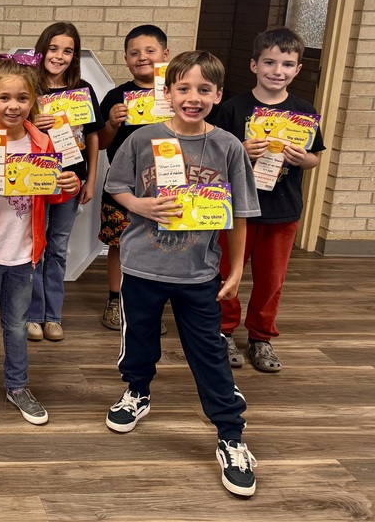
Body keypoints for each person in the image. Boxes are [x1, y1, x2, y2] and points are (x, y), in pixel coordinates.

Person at [102, 50, 262, 498]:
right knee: (139, 339)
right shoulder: (142, 139)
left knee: (209, 351)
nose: (193, 98)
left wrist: (234, 272)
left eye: (204, 90)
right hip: (141, 266)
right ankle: (138, 392)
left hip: (199, 272)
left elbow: (241, 216)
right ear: (167, 92)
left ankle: (230, 433)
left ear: (217, 94)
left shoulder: (229, 146)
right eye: (184, 89)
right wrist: (141, 205)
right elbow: (116, 185)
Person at [0, 56, 80, 430]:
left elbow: (52, 195)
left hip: (26, 253)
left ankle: (17, 386)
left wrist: (67, 186)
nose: (13, 106)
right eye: (5, 98)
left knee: (16, 323)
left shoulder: (42, 142)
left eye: (22, 98)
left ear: (33, 100)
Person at [213, 28, 325, 373]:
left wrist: (300, 157)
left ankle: (261, 337)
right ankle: (223, 332)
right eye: (269, 62)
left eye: (286, 64)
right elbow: (214, 159)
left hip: (282, 210)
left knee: (271, 280)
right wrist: (242, 152)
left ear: (298, 69)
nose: (277, 70)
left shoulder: (304, 112)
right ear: (253, 65)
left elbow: (316, 158)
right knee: (226, 273)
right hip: (237, 210)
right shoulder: (234, 108)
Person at [28, 22, 104, 342]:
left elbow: (93, 136)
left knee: (58, 248)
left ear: (74, 56)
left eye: (68, 50)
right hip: (35, 179)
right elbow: (7, 128)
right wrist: (31, 121)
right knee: (36, 248)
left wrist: (91, 180)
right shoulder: (28, 87)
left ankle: (53, 315)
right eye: (54, 48)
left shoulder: (83, 90)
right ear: (42, 50)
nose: (59, 56)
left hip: (72, 179)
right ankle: (32, 314)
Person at [97, 24, 170, 330]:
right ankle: (115, 300)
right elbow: (99, 142)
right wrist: (112, 123)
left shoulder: (175, 93)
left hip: (167, 185)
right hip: (123, 187)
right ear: (126, 59)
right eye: (134, 53)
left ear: (165, 55)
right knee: (120, 243)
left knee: (162, 245)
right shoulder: (117, 95)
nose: (142, 57)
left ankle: (151, 305)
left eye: (149, 51)